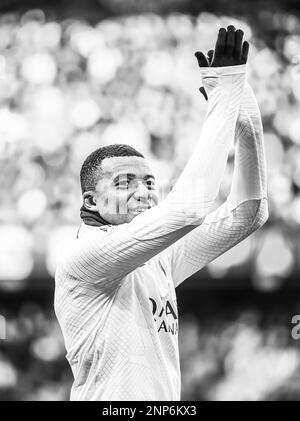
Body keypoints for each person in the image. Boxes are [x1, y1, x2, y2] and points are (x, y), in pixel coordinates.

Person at [54, 25, 268, 401]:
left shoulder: (158, 259)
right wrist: (225, 97)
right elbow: (189, 209)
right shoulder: (84, 257)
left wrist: (241, 107)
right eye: (124, 183)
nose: (143, 192)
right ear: (90, 202)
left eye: (150, 183)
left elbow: (249, 212)